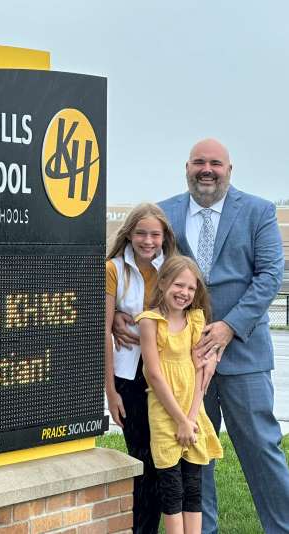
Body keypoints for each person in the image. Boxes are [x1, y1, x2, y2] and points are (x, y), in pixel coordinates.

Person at [114, 138, 289, 533]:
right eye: (198, 163)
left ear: (229, 170)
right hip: (181, 361)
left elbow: (269, 277)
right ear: (187, 167)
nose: (206, 170)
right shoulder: (167, 212)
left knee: (262, 449)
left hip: (243, 354)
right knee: (192, 453)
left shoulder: (259, 211)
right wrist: (118, 316)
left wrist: (229, 328)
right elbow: (140, 267)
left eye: (215, 163)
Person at [136, 255, 223, 534]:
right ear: (162, 283)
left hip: (192, 411)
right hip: (165, 413)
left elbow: (200, 369)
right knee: (172, 489)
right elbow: (155, 375)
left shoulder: (196, 319)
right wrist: (180, 420)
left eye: (191, 288)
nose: (184, 293)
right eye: (178, 285)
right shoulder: (150, 322)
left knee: (193, 487)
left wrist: (193, 415)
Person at [105, 202, 177, 534]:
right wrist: (110, 393)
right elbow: (104, 332)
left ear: (165, 237)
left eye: (155, 234)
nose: (148, 241)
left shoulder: (174, 270)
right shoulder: (114, 270)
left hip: (165, 376)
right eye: (141, 233)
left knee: (163, 459)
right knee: (141, 459)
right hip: (128, 378)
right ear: (129, 234)